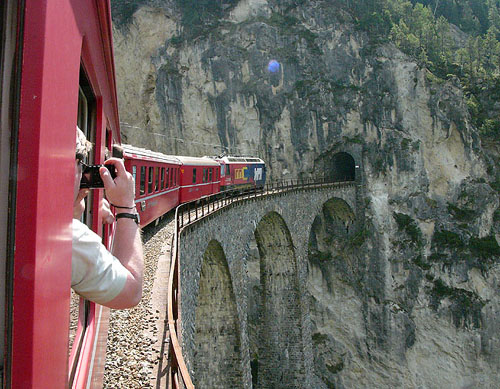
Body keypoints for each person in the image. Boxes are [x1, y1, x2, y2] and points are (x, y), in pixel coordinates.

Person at [72, 128, 143, 309]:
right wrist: (126, 206)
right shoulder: (69, 238)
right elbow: (131, 292)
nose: (85, 174)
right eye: (81, 164)